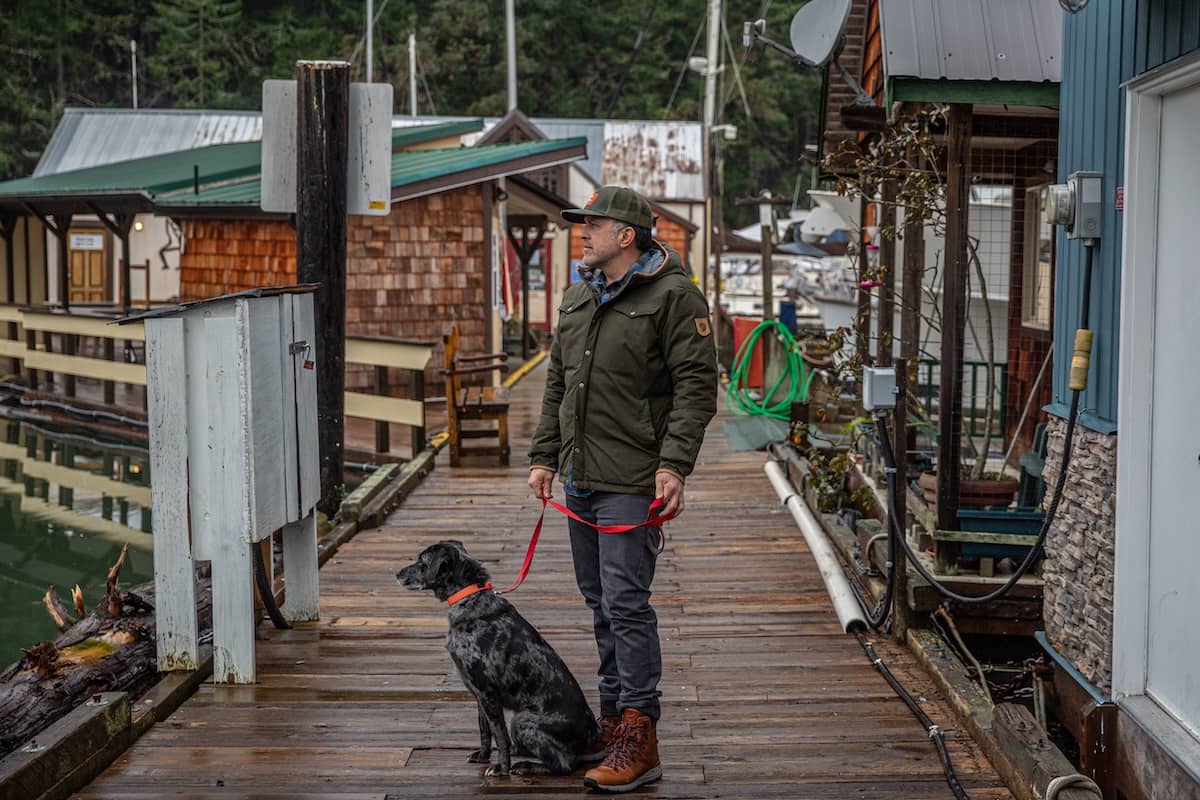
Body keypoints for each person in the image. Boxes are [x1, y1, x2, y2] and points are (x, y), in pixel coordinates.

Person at [527, 185, 718, 792]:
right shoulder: (579, 296)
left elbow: (696, 387)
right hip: (581, 478)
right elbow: (558, 381)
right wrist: (543, 458)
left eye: (593, 225)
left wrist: (674, 465)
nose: (583, 233)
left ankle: (642, 731)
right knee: (598, 604)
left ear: (627, 236)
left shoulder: (675, 297)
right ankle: (613, 723)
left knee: (627, 603)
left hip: (633, 479)